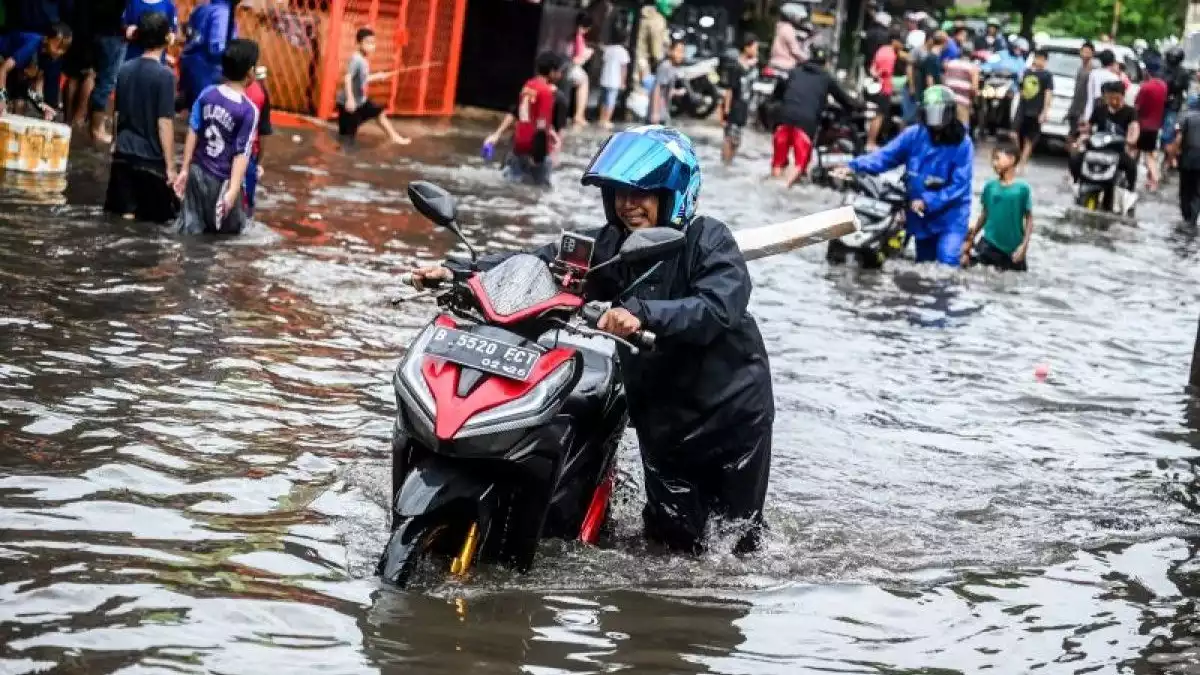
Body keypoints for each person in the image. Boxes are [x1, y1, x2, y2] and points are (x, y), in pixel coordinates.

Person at [410, 126, 775, 556]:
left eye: (640, 194)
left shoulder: (709, 240)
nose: (626, 204)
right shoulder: (609, 245)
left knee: (732, 548)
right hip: (661, 418)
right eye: (618, 193)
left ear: (672, 194)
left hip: (727, 417)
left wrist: (640, 314)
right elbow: (539, 263)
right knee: (668, 540)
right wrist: (460, 274)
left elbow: (717, 307)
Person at [840, 85, 974, 267]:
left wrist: (928, 201)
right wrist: (853, 167)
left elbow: (959, 185)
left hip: (950, 216)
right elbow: (885, 156)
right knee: (923, 265)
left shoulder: (962, 143)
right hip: (919, 215)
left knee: (946, 262)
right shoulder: (914, 135)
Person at [173, 39, 261, 236]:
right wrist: (233, 189)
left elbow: (193, 130)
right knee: (228, 237)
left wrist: (185, 169)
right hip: (221, 181)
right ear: (250, 72)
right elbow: (241, 152)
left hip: (197, 173)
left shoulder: (207, 93)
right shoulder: (249, 110)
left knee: (190, 230)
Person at [105, 11, 178, 224]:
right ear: (167, 38)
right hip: (150, 161)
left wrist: (115, 142)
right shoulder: (165, 76)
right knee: (152, 223)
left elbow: (117, 113)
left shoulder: (125, 69)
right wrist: (171, 167)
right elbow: (164, 123)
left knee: (123, 217)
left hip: (123, 155)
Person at [771, 46, 859, 187]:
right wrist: (859, 106)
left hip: (783, 118)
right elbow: (844, 99)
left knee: (778, 161)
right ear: (825, 62)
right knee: (800, 163)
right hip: (805, 123)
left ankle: (774, 185)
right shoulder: (825, 77)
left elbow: (778, 93)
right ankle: (783, 188)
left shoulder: (795, 71)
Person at [961, 141, 1033, 271]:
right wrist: (972, 236)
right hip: (989, 243)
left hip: (1013, 248)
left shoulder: (1023, 189)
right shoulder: (990, 186)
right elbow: (985, 213)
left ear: (1012, 159)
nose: (994, 163)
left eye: (997, 158)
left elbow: (1029, 219)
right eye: (993, 159)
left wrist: (1024, 246)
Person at [336, 27, 410, 145]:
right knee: (346, 138)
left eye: (373, 42)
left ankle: (394, 137)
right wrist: (350, 99)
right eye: (368, 42)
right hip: (349, 103)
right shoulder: (356, 59)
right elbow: (348, 78)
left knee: (379, 113)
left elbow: (362, 79)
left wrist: (378, 76)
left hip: (360, 101)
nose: (372, 46)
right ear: (359, 43)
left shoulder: (363, 60)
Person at [501, 51, 564, 186]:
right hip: (534, 147)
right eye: (559, 71)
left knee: (513, 182)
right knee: (541, 189)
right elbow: (541, 124)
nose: (560, 75)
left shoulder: (528, 86)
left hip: (519, 144)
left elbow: (526, 116)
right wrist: (538, 155)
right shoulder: (546, 92)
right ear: (552, 72)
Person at [1071, 80, 1139, 189]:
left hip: (1117, 150)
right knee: (1075, 159)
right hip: (1097, 148)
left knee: (1131, 166)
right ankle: (1077, 182)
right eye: (1110, 98)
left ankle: (1130, 189)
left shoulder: (1130, 112)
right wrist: (1081, 134)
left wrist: (1131, 139)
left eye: (1116, 98)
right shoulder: (1099, 110)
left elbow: (1134, 128)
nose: (1113, 101)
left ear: (1123, 96)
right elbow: (1088, 127)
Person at [0, 22, 70, 118]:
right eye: (58, 47)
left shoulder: (51, 57)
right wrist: (2, 98)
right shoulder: (32, 45)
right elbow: (3, 69)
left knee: (20, 104)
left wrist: (42, 105)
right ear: (46, 39)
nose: (60, 52)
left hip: (17, 70)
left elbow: (33, 89)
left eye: (64, 49)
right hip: (3, 59)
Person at [179, 0, 233, 111]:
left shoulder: (201, 9)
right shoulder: (222, 12)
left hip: (191, 66)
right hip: (210, 72)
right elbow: (216, 48)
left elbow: (189, 33)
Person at [720, 33, 758, 165]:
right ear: (747, 48)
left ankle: (728, 164)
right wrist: (726, 110)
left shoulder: (752, 67)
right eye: (754, 48)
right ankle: (725, 163)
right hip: (734, 108)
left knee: (737, 140)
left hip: (744, 109)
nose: (756, 51)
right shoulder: (736, 67)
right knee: (729, 138)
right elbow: (729, 90)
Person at [1015, 48, 1053, 171]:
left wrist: (1045, 111)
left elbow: (1048, 93)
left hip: (1036, 110)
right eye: (1037, 58)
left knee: (1030, 139)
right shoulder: (1026, 72)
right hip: (1023, 108)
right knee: (1016, 134)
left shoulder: (1047, 75)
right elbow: (1020, 88)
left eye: (1042, 59)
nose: (1039, 61)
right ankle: (1018, 158)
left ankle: (1022, 163)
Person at [243, 65, 273, 217]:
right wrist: (260, 162)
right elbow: (264, 131)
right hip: (248, 156)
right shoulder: (261, 94)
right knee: (246, 206)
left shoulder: (216, 87)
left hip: (219, 156)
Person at [1134, 59, 1167, 191]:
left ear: (1147, 71)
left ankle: (1154, 178)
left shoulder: (1145, 87)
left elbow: (1138, 106)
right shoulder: (1163, 86)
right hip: (1155, 126)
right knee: (1150, 153)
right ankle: (1150, 179)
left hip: (1143, 125)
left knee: (1141, 153)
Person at [866, 31, 899, 150]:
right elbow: (885, 71)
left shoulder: (881, 49)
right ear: (895, 41)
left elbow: (872, 68)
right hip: (884, 89)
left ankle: (873, 140)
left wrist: (875, 74)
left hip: (875, 88)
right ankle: (871, 142)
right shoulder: (890, 54)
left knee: (877, 115)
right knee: (879, 116)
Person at [1162, 48, 1191, 171]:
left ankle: (1169, 158)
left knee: (1168, 134)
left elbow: (1179, 86)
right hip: (1161, 103)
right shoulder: (1164, 68)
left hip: (1173, 105)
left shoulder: (1183, 72)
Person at [1173, 94, 1200, 225]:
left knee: (1185, 188)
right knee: (1196, 190)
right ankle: (1192, 219)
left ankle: (1186, 216)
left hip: (1187, 157)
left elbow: (1178, 138)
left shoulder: (1185, 116)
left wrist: (1173, 155)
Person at [565, 12, 594, 127]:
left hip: (566, 67)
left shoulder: (571, 35)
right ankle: (579, 115)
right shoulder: (579, 37)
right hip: (571, 68)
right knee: (584, 80)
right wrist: (588, 54)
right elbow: (577, 60)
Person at [597, 27, 629, 130]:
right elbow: (623, 69)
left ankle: (601, 119)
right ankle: (607, 120)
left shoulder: (608, 49)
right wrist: (623, 82)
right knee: (610, 101)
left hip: (605, 78)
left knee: (603, 100)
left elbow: (603, 61)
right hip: (614, 81)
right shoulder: (623, 52)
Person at [942, 39, 978, 127]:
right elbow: (974, 89)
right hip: (963, 103)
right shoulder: (972, 68)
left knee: (947, 128)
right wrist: (973, 102)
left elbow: (944, 82)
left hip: (947, 102)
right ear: (971, 53)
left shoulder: (949, 64)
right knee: (962, 130)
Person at [634, 0, 670, 85]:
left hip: (635, 59)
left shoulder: (640, 13)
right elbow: (656, 51)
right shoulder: (657, 19)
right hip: (645, 65)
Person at [1066, 41, 1095, 142]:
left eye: (1088, 52)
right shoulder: (1080, 69)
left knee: (1078, 138)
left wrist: (1086, 113)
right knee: (1071, 137)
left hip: (1084, 110)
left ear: (1092, 54)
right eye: (1083, 51)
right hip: (1075, 109)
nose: (1085, 54)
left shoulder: (1093, 71)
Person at [650, 39, 684, 125]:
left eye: (682, 52)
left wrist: (676, 92)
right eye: (678, 51)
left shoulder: (673, 67)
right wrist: (655, 113)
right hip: (658, 113)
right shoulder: (665, 67)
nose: (680, 55)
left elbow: (666, 90)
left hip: (664, 112)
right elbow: (657, 89)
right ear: (670, 51)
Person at [767, 3, 808, 73]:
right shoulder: (788, 29)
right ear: (792, 16)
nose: (800, 19)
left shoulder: (779, 26)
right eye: (798, 17)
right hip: (785, 66)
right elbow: (795, 51)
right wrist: (807, 59)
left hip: (774, 63)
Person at [1083, 49, 1120, 124]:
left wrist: (1086, 116)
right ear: (1113, 62)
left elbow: (1090, 96)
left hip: (1095, 105)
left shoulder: (1093, 74)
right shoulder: (1115, 77)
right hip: (1108, 109)